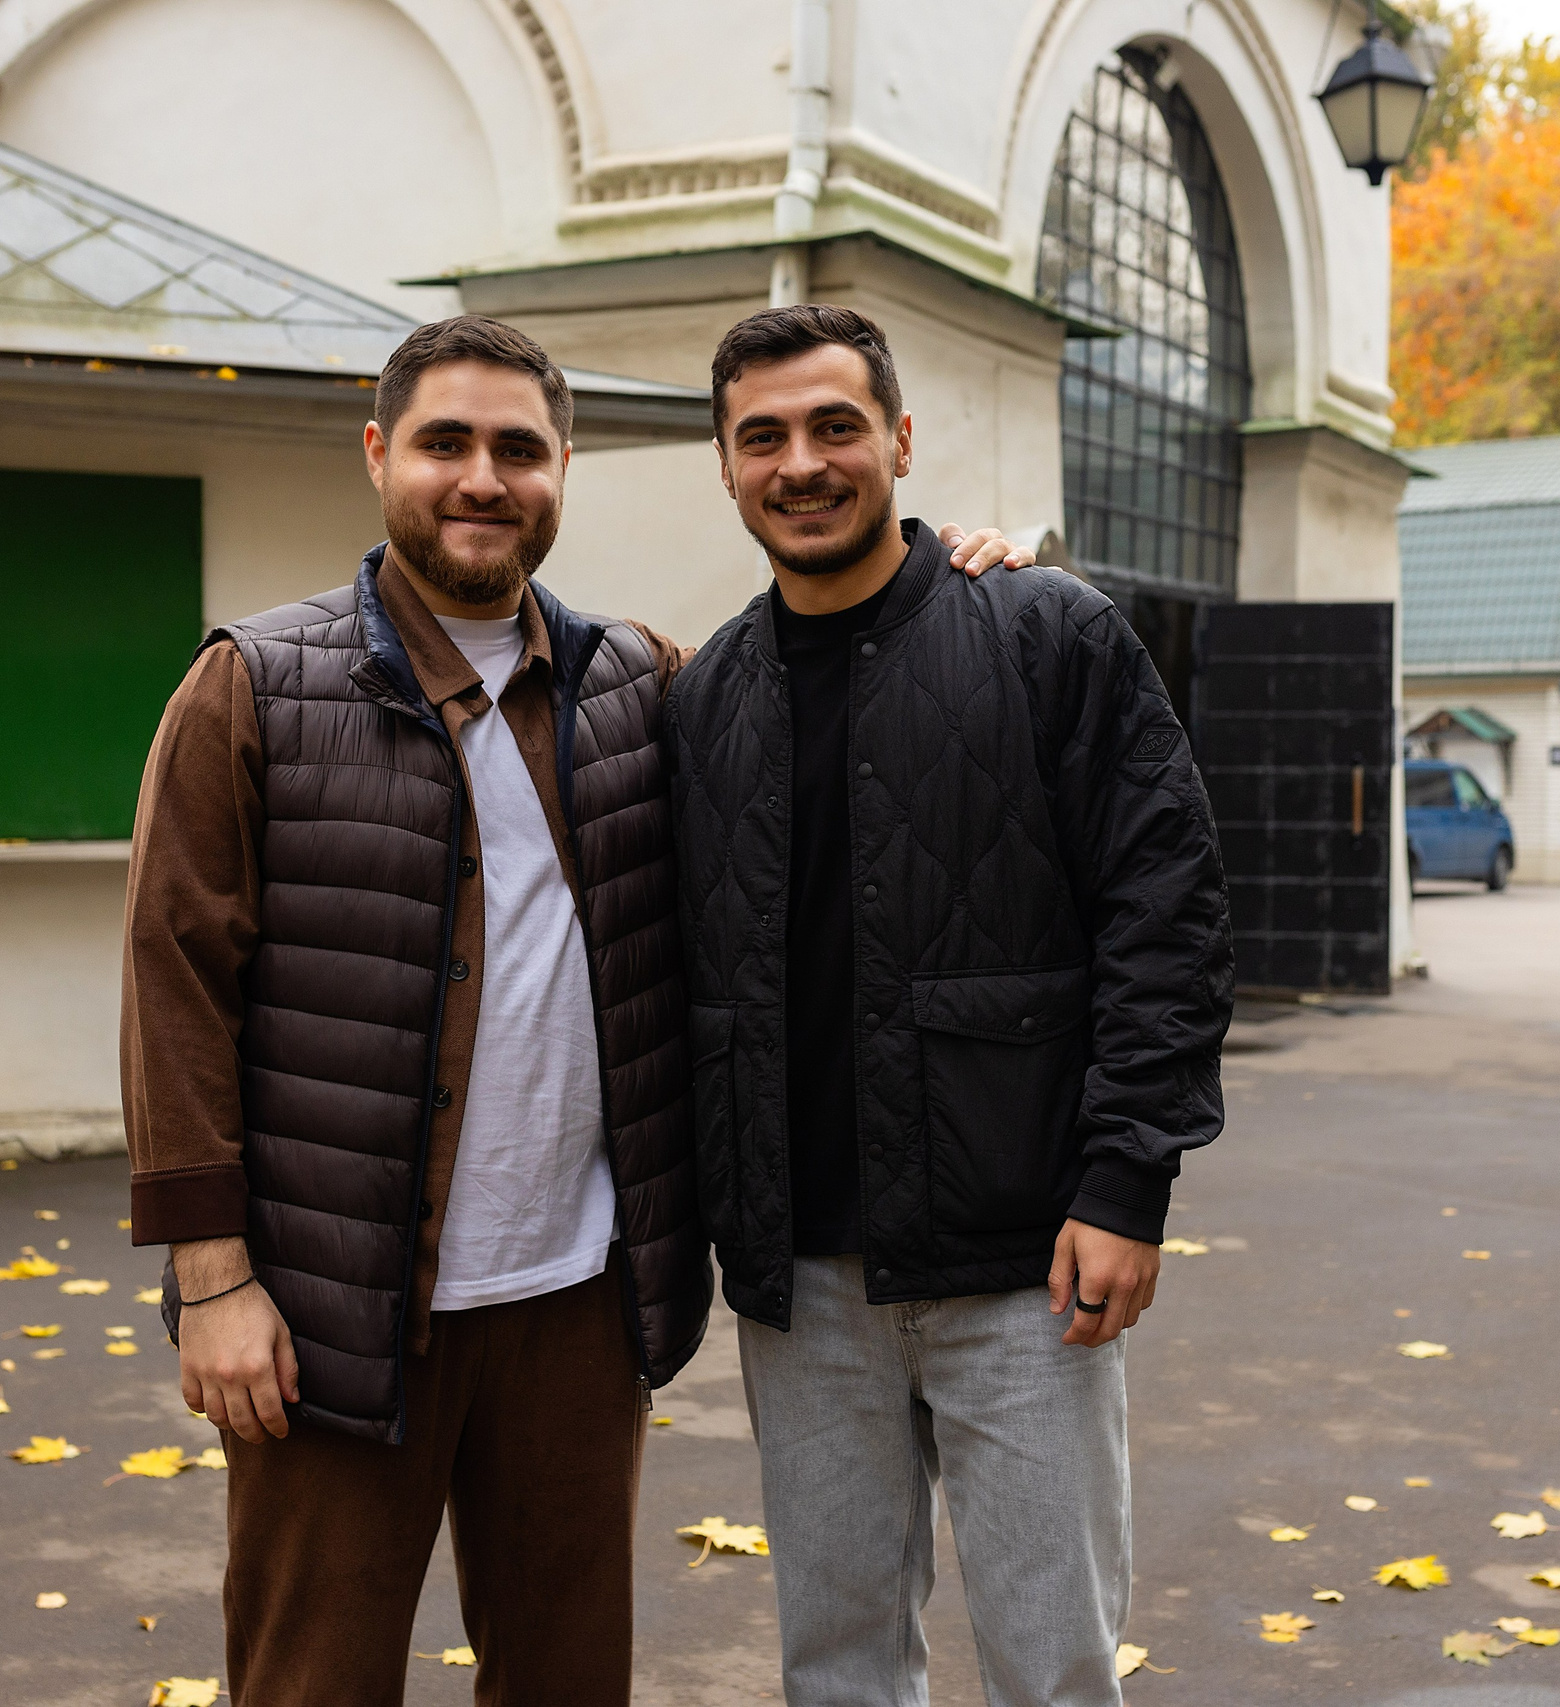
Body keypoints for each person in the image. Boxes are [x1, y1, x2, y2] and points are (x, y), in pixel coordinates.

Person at [118, 314, 1032, 1707]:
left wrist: (972, 573)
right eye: (445, 443)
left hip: (576, 1307)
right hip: (334, 1307)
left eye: (518, 449)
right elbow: (174, 987)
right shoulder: (254, 686)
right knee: (314, 1680)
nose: (482, 478)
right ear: (379, 457)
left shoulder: (639, 685)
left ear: (563, 469)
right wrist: (211, 1273)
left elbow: (840, 675)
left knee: (566, 1682)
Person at [666, 304, 1237, 1707]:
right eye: (765, 437)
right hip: (802, 1288)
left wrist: (1126, 1178)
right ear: (727, 468)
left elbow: (1165, 911)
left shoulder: (1046, 632)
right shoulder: (707, 696)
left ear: (902, 441)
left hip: (1024, 1271)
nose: (803, 462)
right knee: (839, 1667)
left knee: (1054, 1666)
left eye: (836, 426)